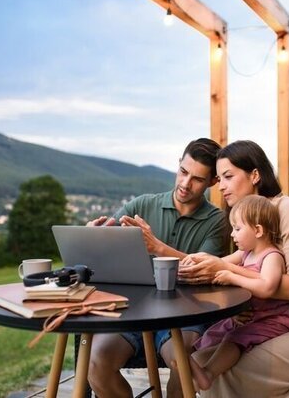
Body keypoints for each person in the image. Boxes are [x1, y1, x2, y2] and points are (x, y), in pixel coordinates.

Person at [178, 140, 289, 397]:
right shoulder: (250, 223)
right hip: (278, 326)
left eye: (228, 176)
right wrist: (195, 265)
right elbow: (229, 264)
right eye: (219, 178)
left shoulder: (288, 208)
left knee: (222, 374)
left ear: (255, 175)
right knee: (197, 363)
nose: (221, 186)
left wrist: (227, 272)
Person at [87, 138, 229, 398]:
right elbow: (104, 245)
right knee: (96, 365)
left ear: (212, 182)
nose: (185, 184)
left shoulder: (217, 221)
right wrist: (92, 237)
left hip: (184, 315)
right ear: (178, 166)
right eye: (183, 172)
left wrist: (157, 247)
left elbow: (203, 268)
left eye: (197, 179)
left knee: (183, 363)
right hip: (132, 313)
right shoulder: (142, 205)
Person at [183, 194, 289, 391]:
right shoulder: (246, 253)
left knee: (233, 338)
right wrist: (198, 260)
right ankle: (189, 364)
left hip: (270, 320)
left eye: (237, 228)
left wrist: (233, 277)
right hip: (249, 316)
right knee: (213, 332)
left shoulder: (272, 256)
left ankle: (208, 374)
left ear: (258, 230)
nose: (232, 235)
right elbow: (220, 263)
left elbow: (267, 287)